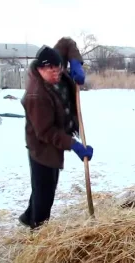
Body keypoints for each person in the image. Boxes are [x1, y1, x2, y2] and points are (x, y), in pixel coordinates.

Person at [19, 45, 93, 229]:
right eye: (49, 68)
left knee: (42, 186)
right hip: (42, 148)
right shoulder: (36, 95)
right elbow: (45, 132)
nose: (55, 71)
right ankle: (38, 231)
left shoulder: (54, 71)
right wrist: (73, 144)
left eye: (57, 66)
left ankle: (28, 217)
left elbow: (67, 43)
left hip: (53, 141)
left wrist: (76, 63)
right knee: (45, 192)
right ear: (39, 69)